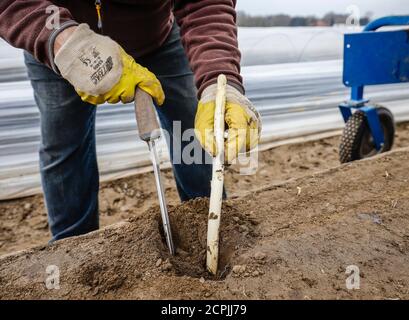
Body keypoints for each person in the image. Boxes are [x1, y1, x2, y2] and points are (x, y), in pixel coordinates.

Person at [0, 0, 261, 241]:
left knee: (192, 131)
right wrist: (65, 44)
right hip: (59, 41)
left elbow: (204, 2)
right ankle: (72, 252)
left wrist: (218, 78)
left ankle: (209, 225)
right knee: (63, 144)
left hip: (157, 40)